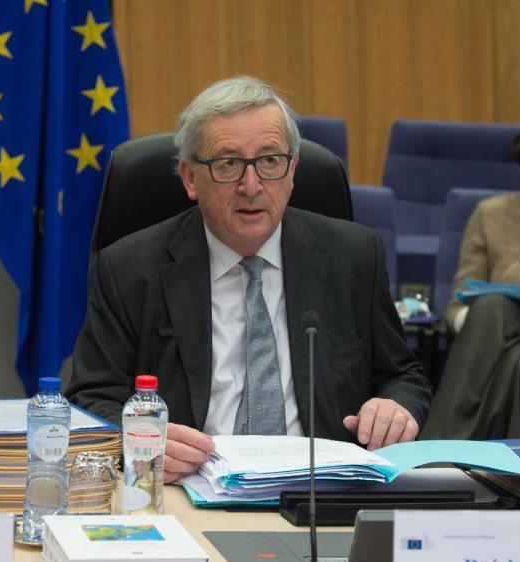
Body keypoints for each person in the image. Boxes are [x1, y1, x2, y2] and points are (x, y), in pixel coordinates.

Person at [67, 76, 431, 483]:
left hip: (320, 489)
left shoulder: (354, 256)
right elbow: (91, 398)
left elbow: (402, 376)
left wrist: (396, 407)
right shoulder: (129, 268)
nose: (252, 186)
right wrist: (140, 439)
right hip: (190, 486)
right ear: (190, 178)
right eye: (228, 164)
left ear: (292, 170)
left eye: (270, 161)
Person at [422, 103, 520, 439]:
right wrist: (492, 329)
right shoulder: (492, 215)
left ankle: (438, 444)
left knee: (498, 306)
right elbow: (456, 310)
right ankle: (504, 468)